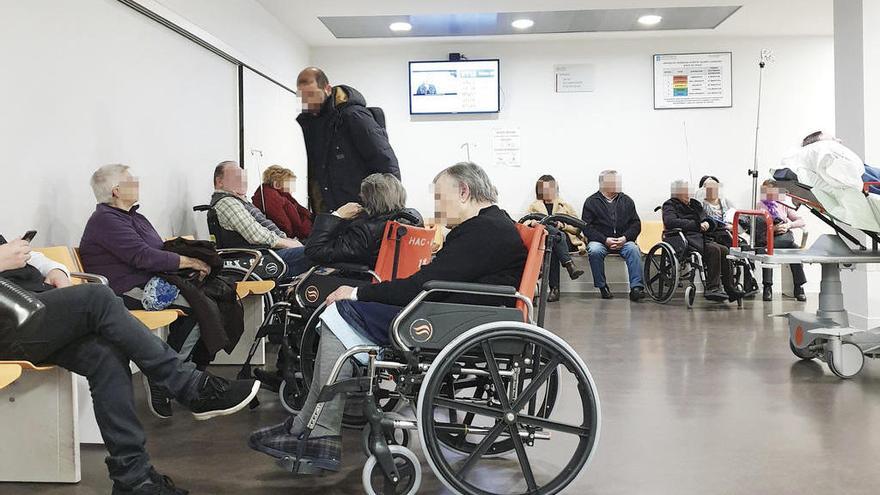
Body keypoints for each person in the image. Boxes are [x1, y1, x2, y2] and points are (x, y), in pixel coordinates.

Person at [248, 162, 527, 470]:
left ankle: (316, 430)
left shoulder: (482, 232)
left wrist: (357, 293)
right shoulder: (491, 226)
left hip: (446, 319)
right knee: (341, 314)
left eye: (439, 197)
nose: (436, 206)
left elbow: (424, 284)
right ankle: (309, 427)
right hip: (453, 312)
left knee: (338, 312)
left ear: (463, 192)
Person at [0, 236, 259, 495]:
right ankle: (189, 386)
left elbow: (29, 257)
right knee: (97, 297)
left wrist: (56, 270)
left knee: (106, 355)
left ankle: (133, 479)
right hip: (11, 325)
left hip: (35, 309)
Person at [80, 164, 217, 419]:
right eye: (130, 180)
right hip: (123, 291)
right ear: (116, 190)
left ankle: (186, 371)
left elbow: (159, 250)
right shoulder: (105, 220)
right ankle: (167, 375)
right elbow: (143, 256)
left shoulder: (134, 217)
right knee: (196, 307)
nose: (137, 182)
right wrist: (191, 262)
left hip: (150, 282)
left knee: (214, 299)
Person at [296, 67, 400, 213]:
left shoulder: (354, 116)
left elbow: (385, 161)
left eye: (311, 94)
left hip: (362, 211)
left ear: (327, 89)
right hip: (333, 213)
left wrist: (391, 210)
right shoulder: (312, 125)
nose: (307, 101)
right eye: (302, 96)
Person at [211, 161, 310, 276]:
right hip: (260, 258)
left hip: (264, 253)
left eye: (243, 176)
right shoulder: (227, 202)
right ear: (220, 181)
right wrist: (289, 243)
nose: (243, 181)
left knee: (319, 249)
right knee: (319, 253)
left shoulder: (239, 201)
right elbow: (256, 235)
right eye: (236, 177)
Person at [305, 173, 422, 267]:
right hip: (401, 281)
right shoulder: (413, 218)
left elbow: (314, 250)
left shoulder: (365, 230)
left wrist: (337, 215)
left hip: (363, 283)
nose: (359, 195)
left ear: (369, 199)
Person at [662, 180, 744, 303]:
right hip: (683, 238)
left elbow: (707, 218)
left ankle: (730, 288)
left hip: (701, 237)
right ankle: (713, 288)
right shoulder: (669, 205)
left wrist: (707, 223)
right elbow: (670, 222)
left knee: (724, 250)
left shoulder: (694, 204)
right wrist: (697, 225)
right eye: (685, 192)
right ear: (676, 193)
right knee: (714, 250)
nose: (689, 194)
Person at [581, 170, 645, 301]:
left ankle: (636, 288)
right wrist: (605, 240)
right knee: (594, 250)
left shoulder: (627, 200)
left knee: (633, 249)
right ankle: (602, 286)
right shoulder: (591, 202)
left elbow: (636, 224)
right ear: (603, 183)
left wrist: (625, 238)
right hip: (600, 241)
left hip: (623, 240)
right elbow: (586, 227)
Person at [523, 175, 585, 302]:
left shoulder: (565, 206)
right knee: (553, 241)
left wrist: (562, 225)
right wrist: (534, 223)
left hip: (567, 240)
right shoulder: (533, 207)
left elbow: (577, 227)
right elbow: (526, 224)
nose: (548, 192)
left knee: (555, 238)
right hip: (547, 239)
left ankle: (555, 289)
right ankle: (568, 265)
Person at [697, 175, 759, 295]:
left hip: (728, 232)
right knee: (725, 249)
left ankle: (749, 285)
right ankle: (720, 288)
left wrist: (733, 226)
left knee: (747, 248)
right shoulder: (700, 204)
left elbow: (738, 218)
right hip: (713, 235)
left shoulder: (725, 202)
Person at [756, 180, 807, 302]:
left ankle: (799, 287)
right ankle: (767, 287)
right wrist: (773, 229)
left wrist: (788, 225)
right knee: (768, 251)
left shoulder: (783, 204)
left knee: (794, 252)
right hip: (768, 237)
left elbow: (801, 221)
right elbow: (758, 225)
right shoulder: (759, 205)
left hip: (784, 236)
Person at [252, 165, 313, 241]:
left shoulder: (279, 195)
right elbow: (284, 224)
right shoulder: (271, 196)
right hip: (288, 238)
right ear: (277, 184)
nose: (292, 189)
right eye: (290, 184)